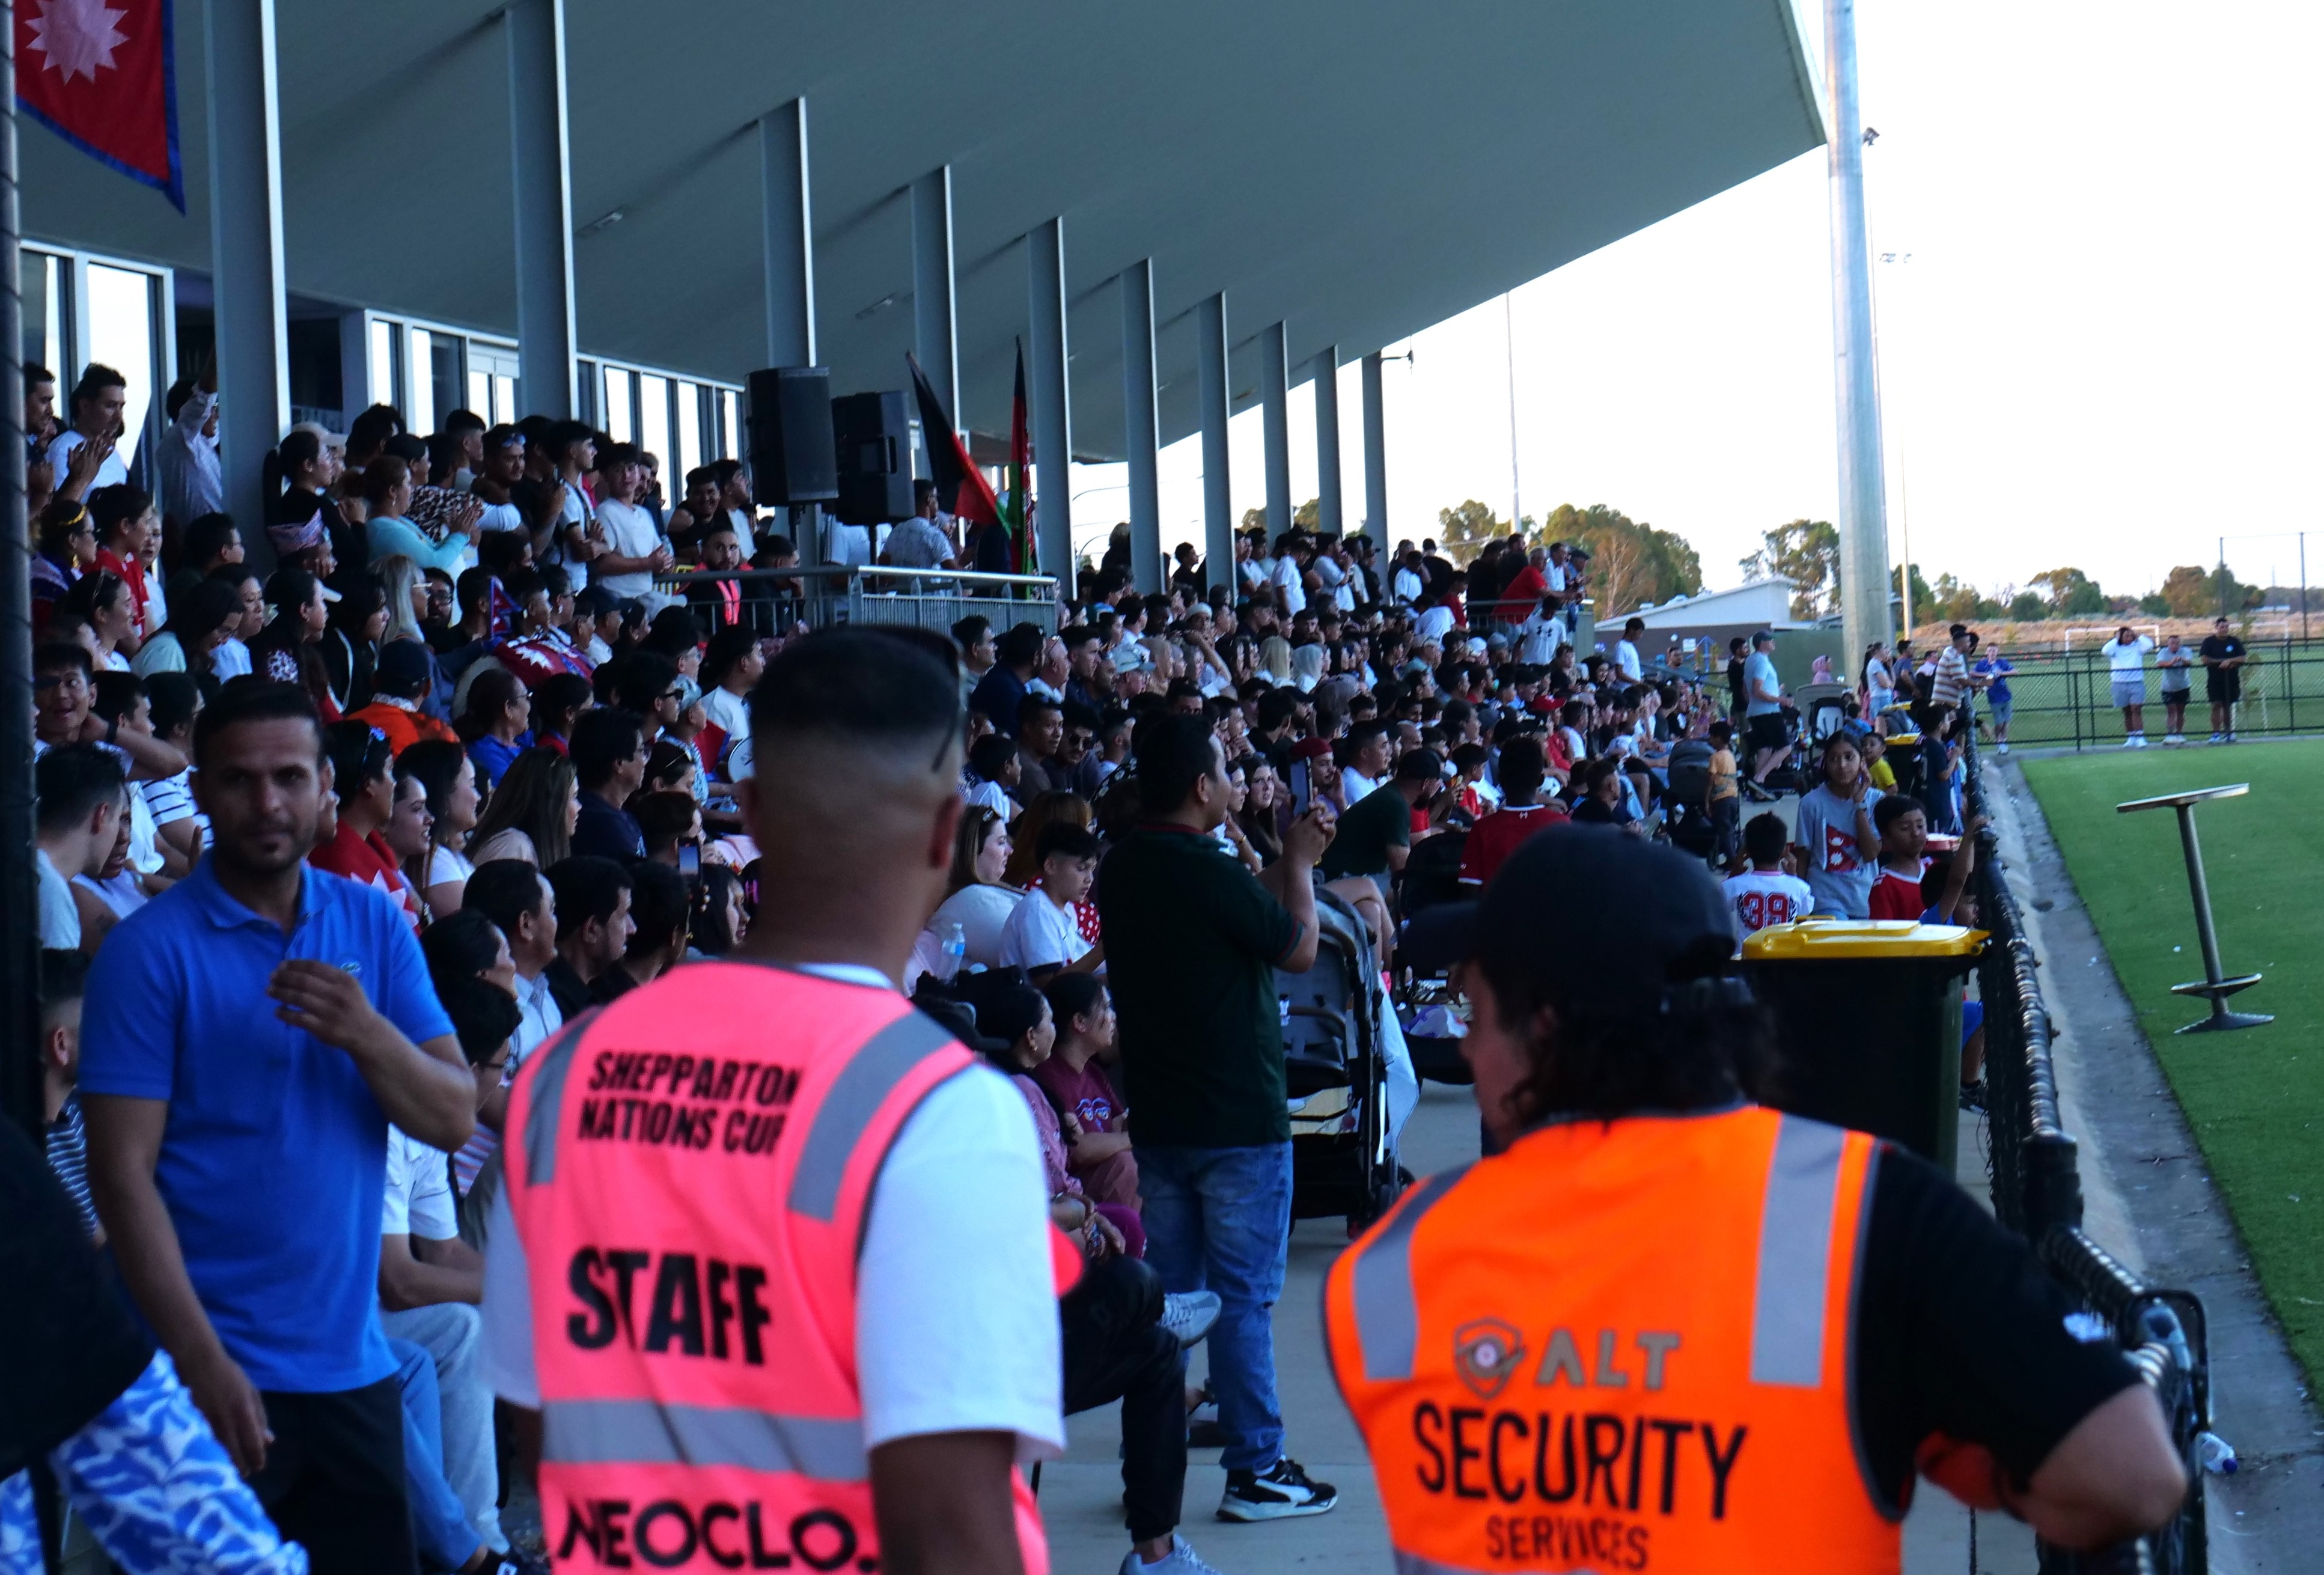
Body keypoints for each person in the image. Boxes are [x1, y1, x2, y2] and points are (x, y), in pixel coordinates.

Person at [1331, 829, 2187, 1574]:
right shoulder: (1865, 1215)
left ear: (1544, 1027)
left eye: (1473, 1010)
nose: (1467, 1044)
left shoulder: (1387, 1268)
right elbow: (2127, 1476)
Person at [480, 629, 1127, 1575]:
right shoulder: (938, 1108)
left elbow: (542, 1430)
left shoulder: (566, 1074)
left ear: (748, 811)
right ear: (949, 832)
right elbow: (955, 1526)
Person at [81, 680, 477, 1575]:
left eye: (290, 777)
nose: (267, 803)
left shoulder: (372, 921)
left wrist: (367, 1033)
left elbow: (452, 1113)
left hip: (349, 1368)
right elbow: (121, 1177)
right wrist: (203, 1362)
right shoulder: (150, 952)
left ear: (326, 789)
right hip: (200, 1378)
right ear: (204, 788)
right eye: (239, 780)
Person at [1098, 713, 1343, 1522]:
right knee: (1241, 1299)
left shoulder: (1125, 866)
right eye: (1226, 776)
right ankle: (1257, 1468)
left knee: (1176, 1300)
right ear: (1201, 786)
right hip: (1237, 1116)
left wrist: (1278, 858)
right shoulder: (1203, 865)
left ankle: (1156, 1465)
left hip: (1161, 1117)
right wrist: (1301, 865)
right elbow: (1297, 947)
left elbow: (1243, 912)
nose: (1236, 786)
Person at [1038, 972, 1139, 1208]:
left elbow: (1118, 1125)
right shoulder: (1049, 1076)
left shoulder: (1093, 1073)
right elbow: (1078, 1150)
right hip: (1074, 1192)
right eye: (1105, 1008)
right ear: (1079, 1023)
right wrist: (1135, 1138)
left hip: (1109, 1185)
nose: (1113, 1017)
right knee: (1126, 1164)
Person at [37, 743, 128, 950]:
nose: (122, 836)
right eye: (120, 818)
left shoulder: (20, 862)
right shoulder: (51, 895)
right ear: (101, 816)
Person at [1319, 745, 1441, 888]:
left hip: (1344, 875)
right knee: (1418, 890)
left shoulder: (1391, 794)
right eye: (1437, 783)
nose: (1438, 788)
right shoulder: (1395, 804)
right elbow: (1403, 872)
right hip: (1337, 879)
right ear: (1426, 784)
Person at [1792, 733, 1883, 919]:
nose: (1842, 766)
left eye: (1849, 757)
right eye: (1834, 759)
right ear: (1826, 764)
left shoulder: (1877, 800)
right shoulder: (1811, 803)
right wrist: (1801, 903)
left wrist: (1859, 804)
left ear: (1862, 761)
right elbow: (1803, 856)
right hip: (1825, 899)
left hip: (1865, 898)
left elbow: (1871, 853)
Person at [1457, 735, 1566, 888]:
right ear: (1541, 780)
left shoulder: (1482, 829)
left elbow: (1470, 893)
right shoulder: (1563, 826)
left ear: (1501, 779)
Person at [999, 822, 1103, 977]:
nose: (1090, 879)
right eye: (1082, 869)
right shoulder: (1038, 911)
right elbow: (1050, 984)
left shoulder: (1066, 908)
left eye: (1092, 870)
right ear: (1051, 866)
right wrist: (1103, 950)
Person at [539, 855, 634, 1017]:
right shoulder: (552, 1011)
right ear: (591, 930)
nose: (632, 928)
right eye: (623, 915)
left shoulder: (603, 992)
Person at [469, 746, 579, 868]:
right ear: (550, 803)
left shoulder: (521, 847)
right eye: (574, 797)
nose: (579, 807)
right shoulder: (513, 849)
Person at [567, 705, 648, 858]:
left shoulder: (614, 815)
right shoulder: (603, 826)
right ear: (619, 763)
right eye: (642, 751)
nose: (645, 761)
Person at [1725, 809, 1815, 939]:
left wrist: (1735, 870)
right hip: (1783, 956)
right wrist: (1794, 876)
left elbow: (1716, 906)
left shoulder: (1734, 885)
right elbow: (1803, 916)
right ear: (1785, 850)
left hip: (1747, 956)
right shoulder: (1800, 888)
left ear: (1747, 851)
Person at [1741, 630, 1789, 796]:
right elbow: (1757, 690)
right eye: (1770, 640)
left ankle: (1756, 791)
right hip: (1768, 712)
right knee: (1785, 747)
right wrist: (1781, 700)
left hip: (1754, 712)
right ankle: (1760, 779)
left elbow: (1745, 689)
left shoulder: (1750, 661)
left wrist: (1755, 704)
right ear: (1762, 643)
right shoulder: (1762, 661)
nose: (1774, 642)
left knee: (1765, 750)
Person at [2199, 617, 2248, 743]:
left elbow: (2242, 658)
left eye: (2227, 627)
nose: (2224, 630)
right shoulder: (2209, 642)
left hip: (2231, 679)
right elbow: (2205, 659)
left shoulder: (2234, 641)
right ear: (2216, 627)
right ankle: (2216, 734)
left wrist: (2230, 661)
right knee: (2216, 705)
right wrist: (2221, 662)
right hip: (2215, 679)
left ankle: (2229, 733)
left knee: (2228, 705)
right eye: (2222, 627)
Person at [2105, 625, 2155, 748]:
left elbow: (2150, 645)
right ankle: (2131, 736)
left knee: (2136, 709)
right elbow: (2105, 651)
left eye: (2131, 635)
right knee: (2126, 711)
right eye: (2126, 636)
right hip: (2119, 683)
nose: (2129, 638)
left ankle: (2140, 737)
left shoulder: (2138, 647)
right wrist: (2115, 639)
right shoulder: (2115, 648)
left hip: (2136, 682)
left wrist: (2139, 636)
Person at [1975, 639, 2019, 753]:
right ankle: (1998, 740)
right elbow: (1972, 673)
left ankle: (2003, 741)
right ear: (1987, 652)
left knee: (2006, 721)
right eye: (1990, 651)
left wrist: (2002, 673)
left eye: (1994, 651)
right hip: (1994, 698)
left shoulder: (2002, 663)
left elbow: (2015, 671)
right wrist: (1986, 675)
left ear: (1997, 651)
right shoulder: (1983, 664)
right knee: (1999, 722)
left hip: (2006, 696)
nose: (1992, 653)